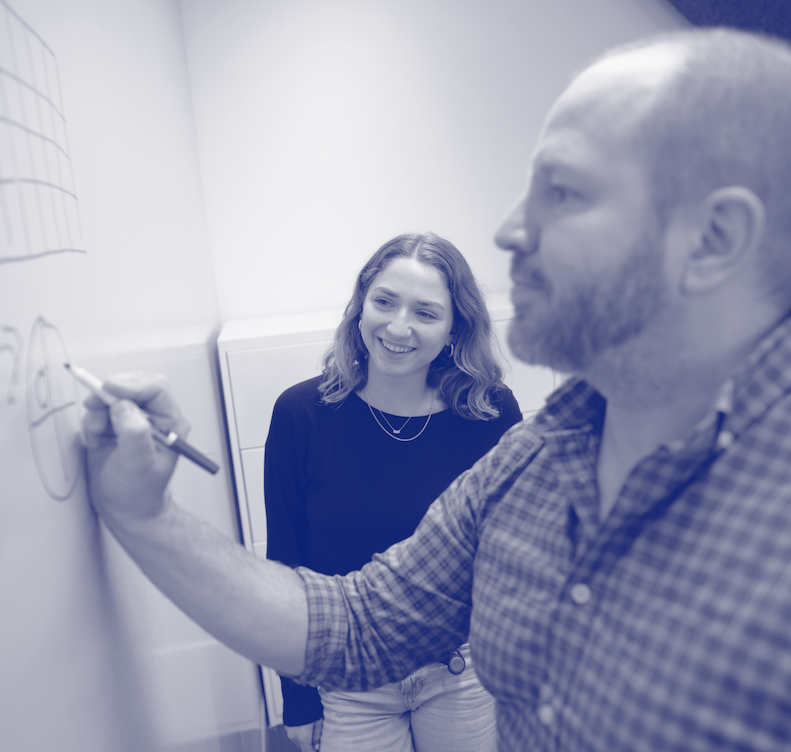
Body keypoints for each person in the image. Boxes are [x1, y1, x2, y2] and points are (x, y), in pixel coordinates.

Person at [82, 27, 791, 751]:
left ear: (712, 239)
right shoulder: (534, 459)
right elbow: (358, 623)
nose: (510, 230)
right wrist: (144, 513)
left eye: (565, 193)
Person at [264, 232, 521, 751]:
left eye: (426, 313)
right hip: (348, 679)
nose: (398, 327)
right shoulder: (301, 414)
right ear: (361, 306)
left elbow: (519, 555)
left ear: (453, 330)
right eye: (384, 302)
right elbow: (286, 566)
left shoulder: (489, 414)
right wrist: (298, 697)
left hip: (462, 671)